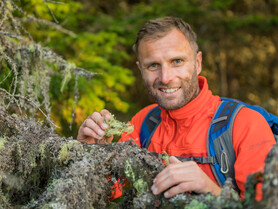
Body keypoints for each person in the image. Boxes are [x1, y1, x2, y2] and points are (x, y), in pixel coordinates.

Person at [77, 17, 275, 199]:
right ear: (141, 69)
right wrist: (92, 153)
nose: (165, 77)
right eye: (153, 65)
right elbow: (110, 191)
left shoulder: (244, 124)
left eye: (177, 61)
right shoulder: (143, 124)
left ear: (197, 63)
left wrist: (212, 191)